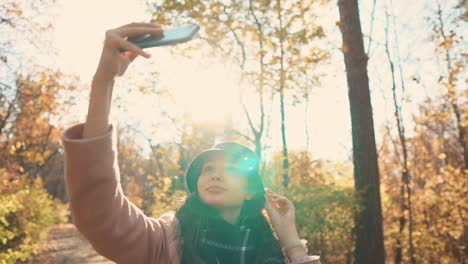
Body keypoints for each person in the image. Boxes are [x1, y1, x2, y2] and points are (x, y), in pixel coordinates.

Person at [62, 22, 321, 264]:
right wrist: (104, 81)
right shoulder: (164, 242)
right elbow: (101, 212)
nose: (215, 176)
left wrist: (289, 238)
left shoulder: (272, 250)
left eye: (230, 169)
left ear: (250, 191)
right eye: (208, 169)